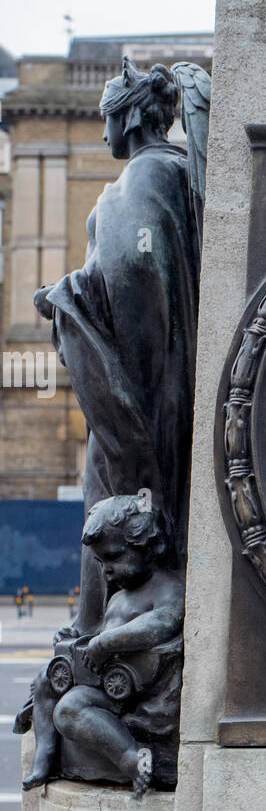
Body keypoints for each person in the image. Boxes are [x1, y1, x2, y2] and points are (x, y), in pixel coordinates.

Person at [32, 57, 203, 638]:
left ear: (127, 116)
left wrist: (69, 298)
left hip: (135, 386)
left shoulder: (141, 180)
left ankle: (93, 628)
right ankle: (99, 622)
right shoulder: (175, 172)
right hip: (161, 377)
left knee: (104, 495)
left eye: (104, 117)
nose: (100, 130)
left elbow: (131, 270)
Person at [21, 496, 184, 797]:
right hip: (101, 672)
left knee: (70, 709)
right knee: (44, 681)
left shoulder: (166, 587)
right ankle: (45, 754)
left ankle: (131, 756)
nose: (106, 570)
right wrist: (75, 637)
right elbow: (101, 630)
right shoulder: (119, 597)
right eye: (100, 562)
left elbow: (163, 623)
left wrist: (107, 642)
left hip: (131, 681)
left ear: (149, 547)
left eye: (114, 557)